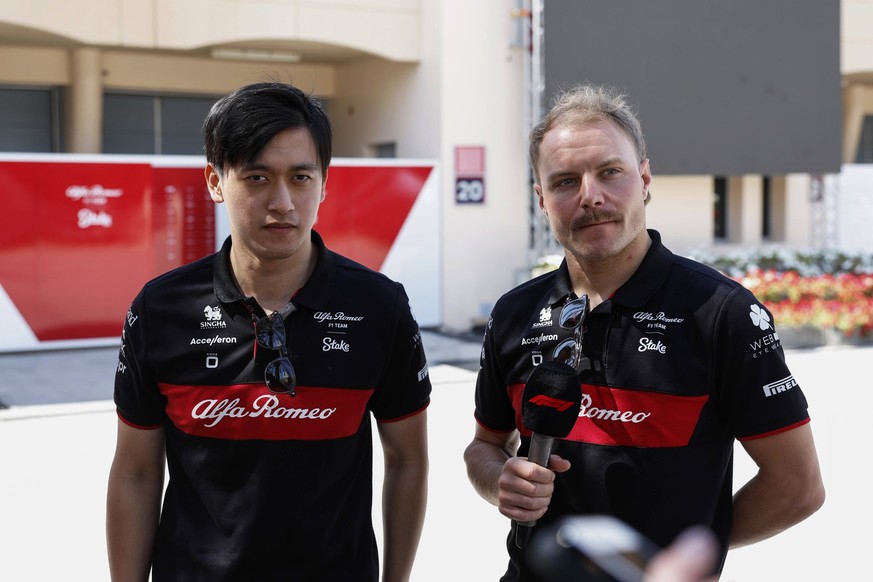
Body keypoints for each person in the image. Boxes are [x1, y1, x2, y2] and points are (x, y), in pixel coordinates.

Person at [463, 83, 825, 581]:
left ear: (645, 177)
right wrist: (498, 478)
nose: (590, 196)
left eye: (610, 172)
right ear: (541, 199)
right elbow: (485, 445)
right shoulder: (514, 313)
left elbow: (798, 487)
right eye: (565, 181)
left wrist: (681, 558)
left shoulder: (721, 313)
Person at [106, 81, 431, 581]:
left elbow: (407, 460)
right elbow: (136, 471)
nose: (282, 201)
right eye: (257, 177)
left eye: (300, 177)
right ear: (216, 182)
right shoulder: (159, 309)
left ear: (325, 182)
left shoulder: (379, 306)